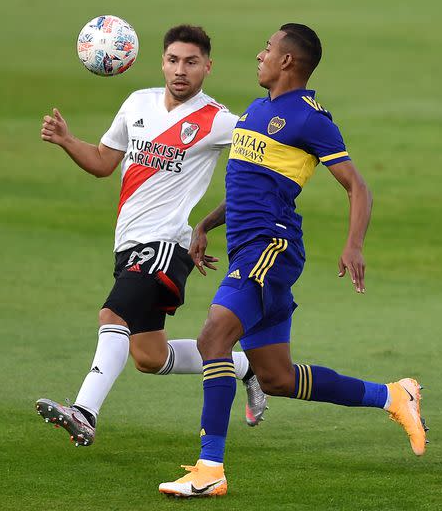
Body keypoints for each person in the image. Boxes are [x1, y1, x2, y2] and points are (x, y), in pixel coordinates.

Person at [159, 23, 427, 498]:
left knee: (213, 338)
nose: (259, 55)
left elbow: (357, 186)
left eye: (267, 48)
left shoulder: (309, 118)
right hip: (248, 246)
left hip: (271, 247)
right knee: (277, 378)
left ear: (287, 61)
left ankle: (210, 468)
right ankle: (393, 395)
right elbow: (247, 185)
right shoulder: (256, 110)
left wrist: (354, 244)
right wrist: (204, 225)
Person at [35, 25, 268, 448]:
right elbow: (105, 162)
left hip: (165, 246)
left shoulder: (216, 120)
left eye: (191, 62)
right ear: (162, 62)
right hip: (128, 244)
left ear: (207, 67)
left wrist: (211, 223)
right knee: (149, 356)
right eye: (174, 60)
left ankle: (84, 412)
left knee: (112, 316)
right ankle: (247, 365)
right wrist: (68, 141)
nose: (181, 70)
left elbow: (265, 151)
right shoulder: (137, 103)